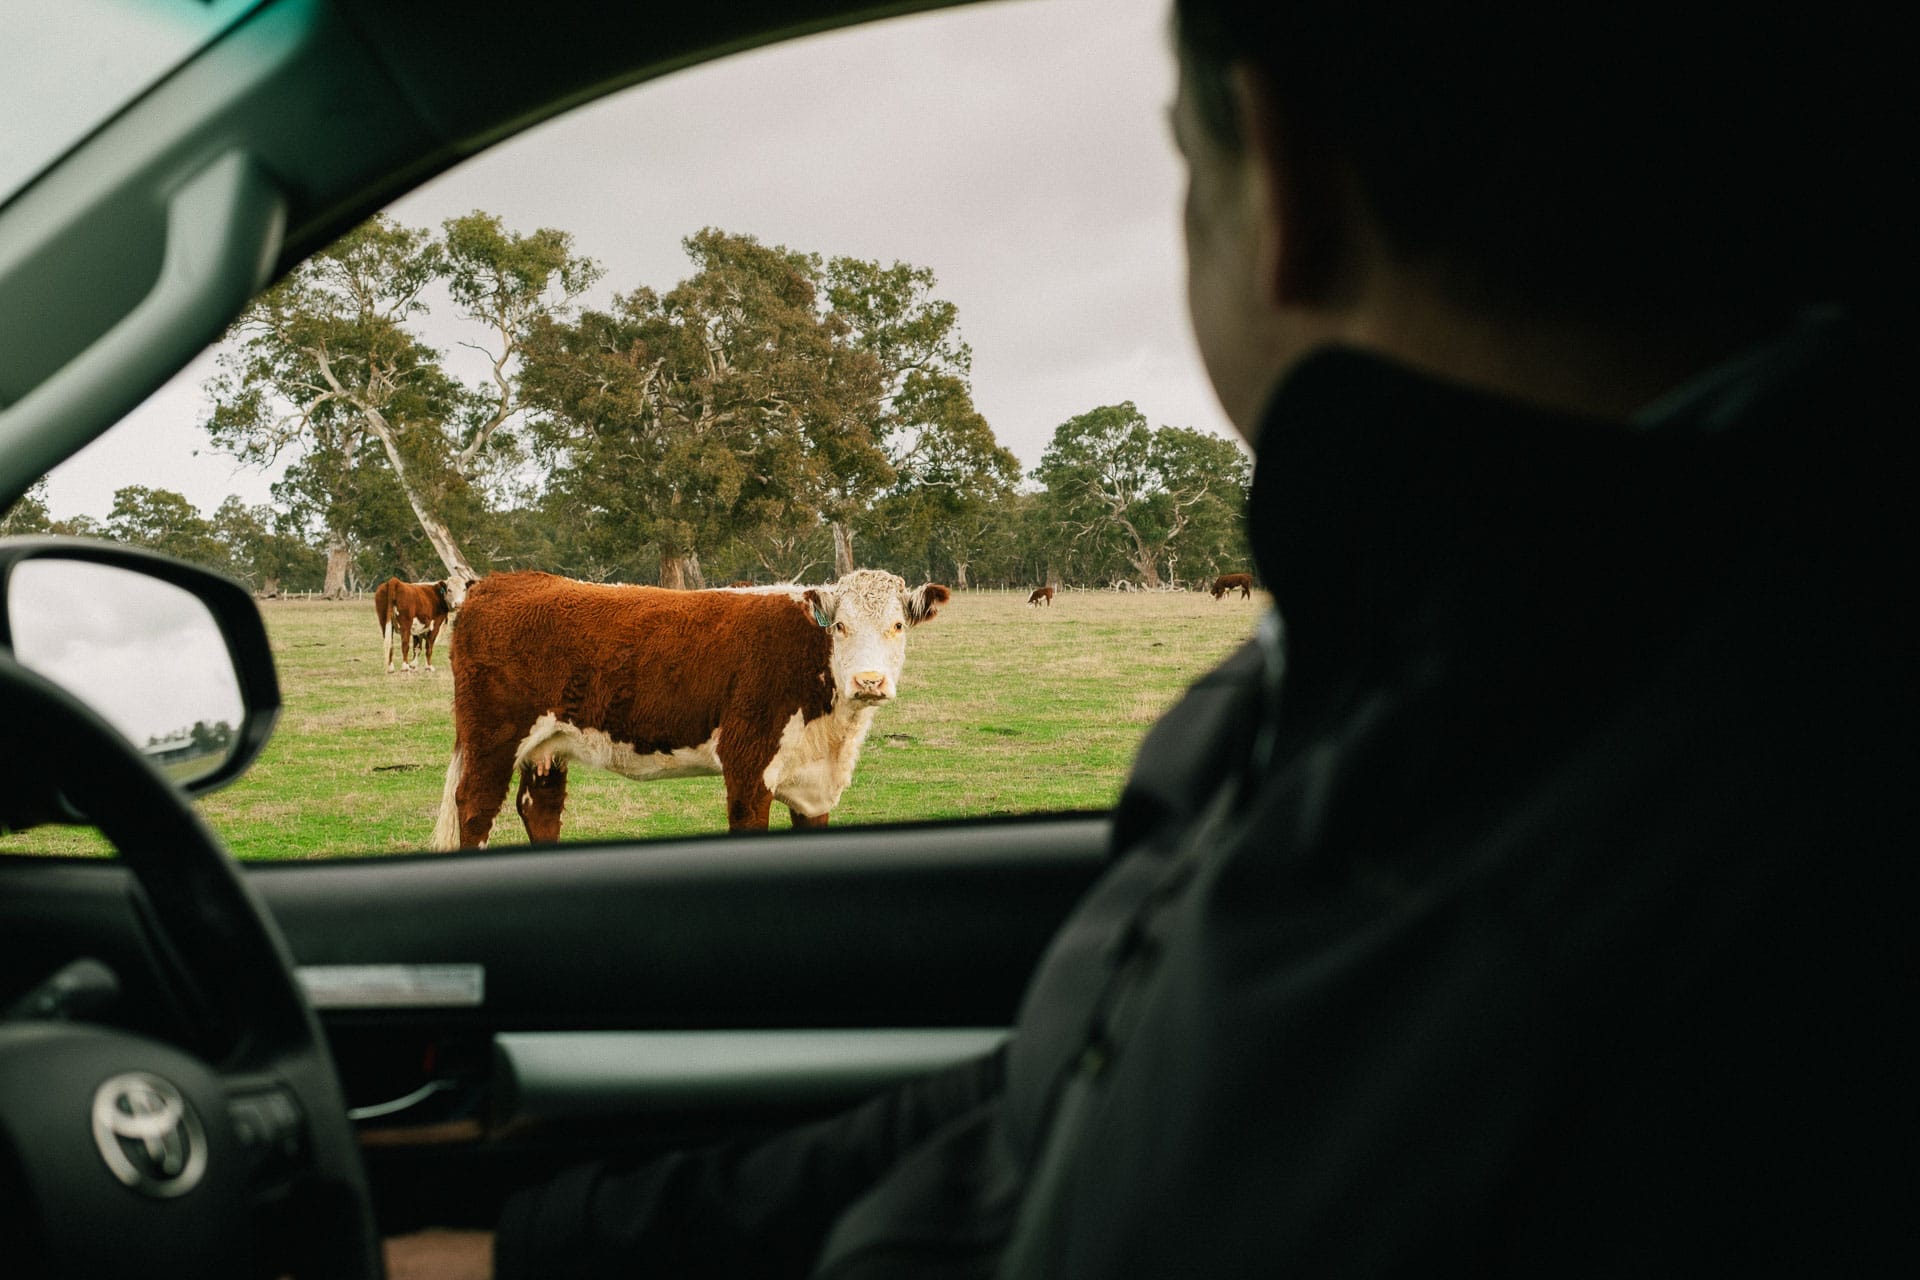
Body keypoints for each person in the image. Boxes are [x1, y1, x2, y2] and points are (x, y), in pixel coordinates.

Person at [389, 1, 1912, 1275]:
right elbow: (1061, 1091)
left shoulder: (1475, 787)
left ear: (1286, 191)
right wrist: (541, 1250)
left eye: (1187, 165)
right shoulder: (1472, 663)